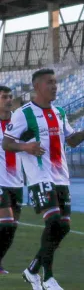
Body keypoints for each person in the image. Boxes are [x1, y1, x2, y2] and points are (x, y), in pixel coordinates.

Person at [3, 68, 84, 290]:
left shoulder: (60, 112)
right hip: (39, 176)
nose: (54, 86)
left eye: (55, 82)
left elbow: (71, 140)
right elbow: (7, 143)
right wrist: (26, 146)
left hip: (61, 177)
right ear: (37, 87)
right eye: (49, 82)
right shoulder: (24, 113)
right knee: (53, 222)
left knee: (64, 227)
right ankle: (49, 277)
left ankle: (33, 269)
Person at [0, 86, 24, 275]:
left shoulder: (19, 121)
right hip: (0, 183)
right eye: (4, 97)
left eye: (10, 96)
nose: (8, 100)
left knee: (11, 229)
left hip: (17, 183)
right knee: (6, 223)